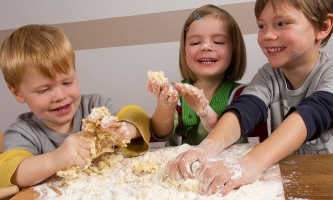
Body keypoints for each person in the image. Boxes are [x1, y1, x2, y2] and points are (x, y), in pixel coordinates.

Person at [167, 0, 333, 196]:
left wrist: (250, 163)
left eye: (281, 23)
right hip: (287, 173)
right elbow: (245, 109)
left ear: (322, 27)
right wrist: (205, 149)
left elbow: (312, 114)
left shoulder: (329, 73)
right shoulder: (269, 75)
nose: (268, 35)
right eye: (262, 26)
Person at [0, 24, 151, 188]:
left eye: (66, 82)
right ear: (17, 93)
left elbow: (138, 117)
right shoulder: (23, 133)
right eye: (44, 90)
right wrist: (56, 159)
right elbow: (7, 173)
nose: (60, 96)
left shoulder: (94, 107)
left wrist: (126, 129)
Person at [147, 4, 251, 146]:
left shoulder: (243, 95)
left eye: (218, 42)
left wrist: (206, 114)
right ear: (184, 53)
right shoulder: (175, 93)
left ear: (234, 52)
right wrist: (165, 105)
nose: (206, 47)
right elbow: (161, 134)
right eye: (195, 42)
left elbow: (231, 138)